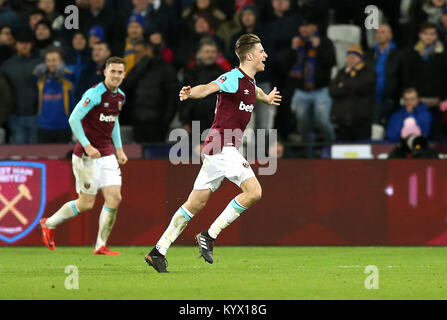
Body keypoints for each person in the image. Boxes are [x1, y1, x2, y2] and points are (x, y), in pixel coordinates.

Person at [144, 33, 282, 273]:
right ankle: (210, 234)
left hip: (218, 149)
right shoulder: (232, 77)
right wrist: (190, 93)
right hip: (222, 146)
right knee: (254, 192)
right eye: (261, 51)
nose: (265, 55)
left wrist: (267, 99)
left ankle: (158, 251)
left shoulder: (250, 84)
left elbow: (255, 93)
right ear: (249, 56)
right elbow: (210, 87)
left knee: (195, 203)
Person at [40, 56, 128, 255]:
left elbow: (114, 121)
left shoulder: (120, 96)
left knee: (114, 198)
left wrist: (120, 149)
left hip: (106, 154)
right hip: (85, 157)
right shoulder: (95, 94)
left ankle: (100, 245)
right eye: (112, 71)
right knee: (86, 203)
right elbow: (74, 119)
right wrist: (87, 146)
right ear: (105, 72)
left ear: (124, 74)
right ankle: (49, 223)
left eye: (119, 72)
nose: (116, 75)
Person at [286, 19, 336, 157]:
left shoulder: (325, 42)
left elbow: (331, 63)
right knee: (302, 125)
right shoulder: (297, 43)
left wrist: (318, 48)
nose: (304, 29)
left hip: (321, 90)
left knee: (323, 121)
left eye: (307, 25)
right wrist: (292, 49)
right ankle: (310, 153)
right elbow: (285, 65)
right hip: (301, 92)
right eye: (302, 26)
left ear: (314, 27)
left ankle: (331, 147)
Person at [120, 40, 178, 142]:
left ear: (149, 51)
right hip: (137, 122)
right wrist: (140, 68)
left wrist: (165, 121)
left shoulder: (165, 69)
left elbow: (172, 98)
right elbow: (127, 87)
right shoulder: (136, 69)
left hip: (158, 123)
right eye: (135, 52)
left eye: (139, 52)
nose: (136, 55)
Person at [1, 31, 42, 144]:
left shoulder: (40, 63)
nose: (24, 45)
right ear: (15, 44)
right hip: (15, 116)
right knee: (18, 155)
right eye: (21, 42)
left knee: (37, 153)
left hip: (37, 115)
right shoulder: (6, 65)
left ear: (31, 44)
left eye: (27, 42)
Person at [329, 44, 376, 141]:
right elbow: (333, 91)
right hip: (343, 121)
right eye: (348, 57)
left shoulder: (369, 71)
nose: (350, 60)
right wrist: (349, 85)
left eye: (353, 57)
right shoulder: (342, 72)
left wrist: (344, 85)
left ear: (360, 58)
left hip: (361, 121)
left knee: (362, 151)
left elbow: (361, 86)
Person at [365, 24, 402, 140]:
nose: (379, 35)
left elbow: (403, 76)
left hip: (392, 100)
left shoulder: (399, 54)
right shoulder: (369, 54)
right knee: (375, 132)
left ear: (390, 36)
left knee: (392, 133)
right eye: (377, 32)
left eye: (383, 32)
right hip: (372, 101)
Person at [34, 48, 74, 143]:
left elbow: (73, 77)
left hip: (63, 126)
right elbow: (33, 75)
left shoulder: (68, 78)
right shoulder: (41, 79)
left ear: (61, 62)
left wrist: (63, 72)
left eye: (54, 60)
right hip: (44, 126)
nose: (51, 64)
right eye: (48, 61)